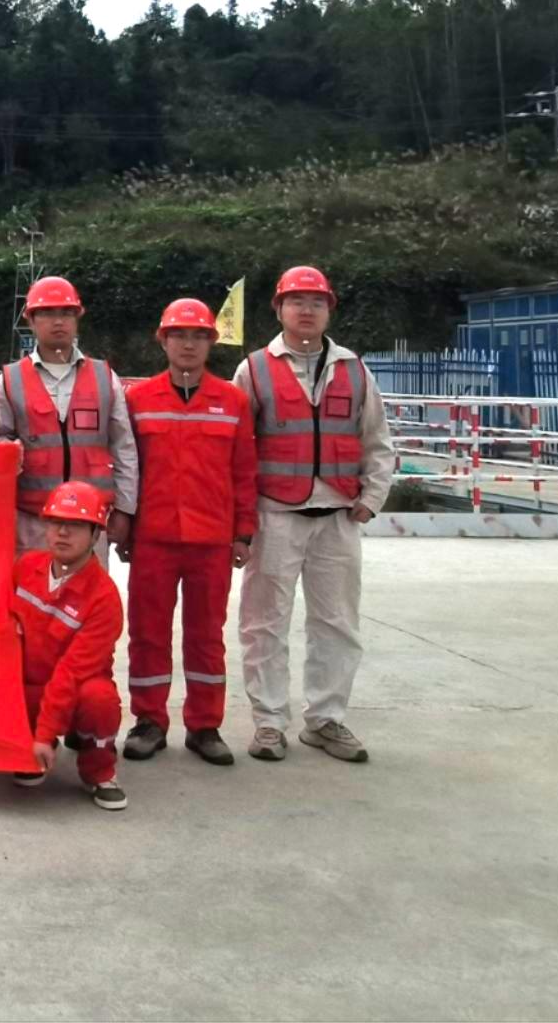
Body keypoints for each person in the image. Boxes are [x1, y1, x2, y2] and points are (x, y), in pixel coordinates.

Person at [233, 266, 394, 764]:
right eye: (296, 301)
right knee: (264, 623)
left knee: (338, 622)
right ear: (278, 309)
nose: (307, 310)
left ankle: (326, 719)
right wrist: (242, 518)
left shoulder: (355, 370)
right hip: (275, 516)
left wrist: (372, 497)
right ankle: (268, 722)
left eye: (316, 302)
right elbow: (238, 450)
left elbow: (377, 440)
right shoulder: (254, 370)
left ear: (329, 310)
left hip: (339, 517)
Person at [121, 298, 257, 766]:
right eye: (178, 335)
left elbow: (244, 472)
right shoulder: (138, 400)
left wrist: (243, 533)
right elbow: (128, 468)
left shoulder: (233, 402)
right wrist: (125, 526)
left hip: (211, 540)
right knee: (147, 633)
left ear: (211, 343)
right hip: (153, 538)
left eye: (199, 336)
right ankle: (149, 721)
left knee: (206, 635)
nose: (188, 344)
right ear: (163, 341)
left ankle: (204, 726)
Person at [0, 276, 138, 560]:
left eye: (66, 313)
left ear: (77, 318)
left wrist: (125, 509)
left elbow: (124, 447)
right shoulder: (10, 380)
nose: (58, 321)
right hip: (32, 524)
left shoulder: (104, 377)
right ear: (31, 320)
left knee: (89, 589)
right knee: (32, 588)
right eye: (47, 313)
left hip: (91, 522)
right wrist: (7, 449)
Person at [8, 483, 127, 810]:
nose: (62, 532)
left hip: (74, 689)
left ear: (95, 534)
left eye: (75, 525)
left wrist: (44, 734)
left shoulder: (104, 598)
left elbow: (72, 673)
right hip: (33, 686)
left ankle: (99, 770)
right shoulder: (26, 568)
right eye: (56, 522)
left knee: (99, 701)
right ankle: (30, 747)